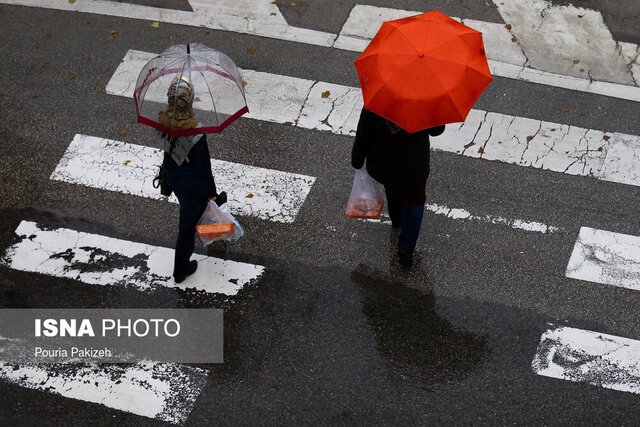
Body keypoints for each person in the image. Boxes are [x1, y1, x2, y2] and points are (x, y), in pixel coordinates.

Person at [351, 108, 445, 267]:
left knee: (392, 188)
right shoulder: (424, 102)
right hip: (413, 164)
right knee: (415, 201)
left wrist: (357, 159)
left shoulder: (377, 101)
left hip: (384, 161)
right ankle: (406, 248)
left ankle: (397, 220)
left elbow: (364, 133)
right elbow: (437, 130)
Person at [159, 77, 218, 283]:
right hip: (192, 184)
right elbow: (203, 168)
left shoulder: (163, 120)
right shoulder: (196, 131)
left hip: (174, 177)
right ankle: (180, 269)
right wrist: (211, 192)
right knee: (186, 226)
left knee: (188, 215)